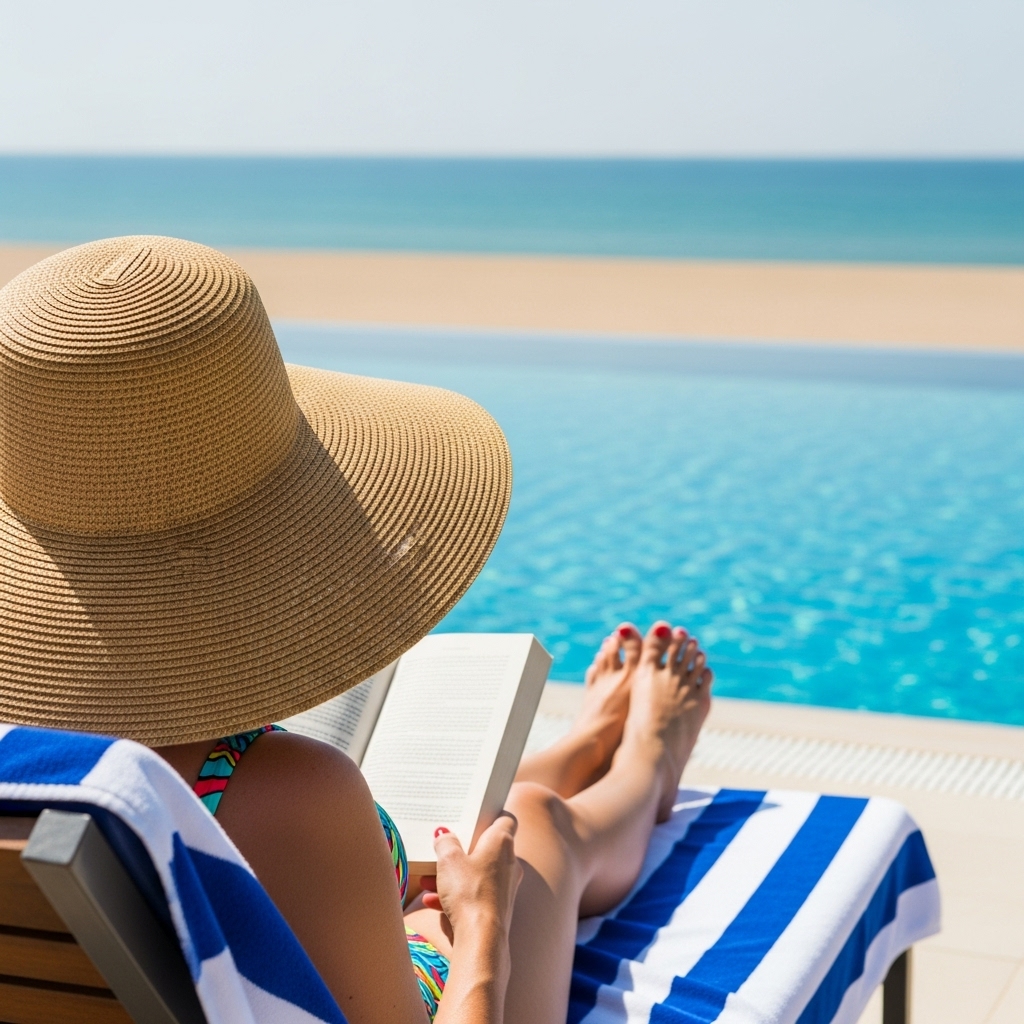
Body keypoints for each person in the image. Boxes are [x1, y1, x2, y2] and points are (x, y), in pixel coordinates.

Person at [0, 236, 712, 1024]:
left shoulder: (42, 772)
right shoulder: (295, 798)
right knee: (530, 825)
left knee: (483, 817)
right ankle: (647, 761)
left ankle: (585, 750)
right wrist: (481, 938)